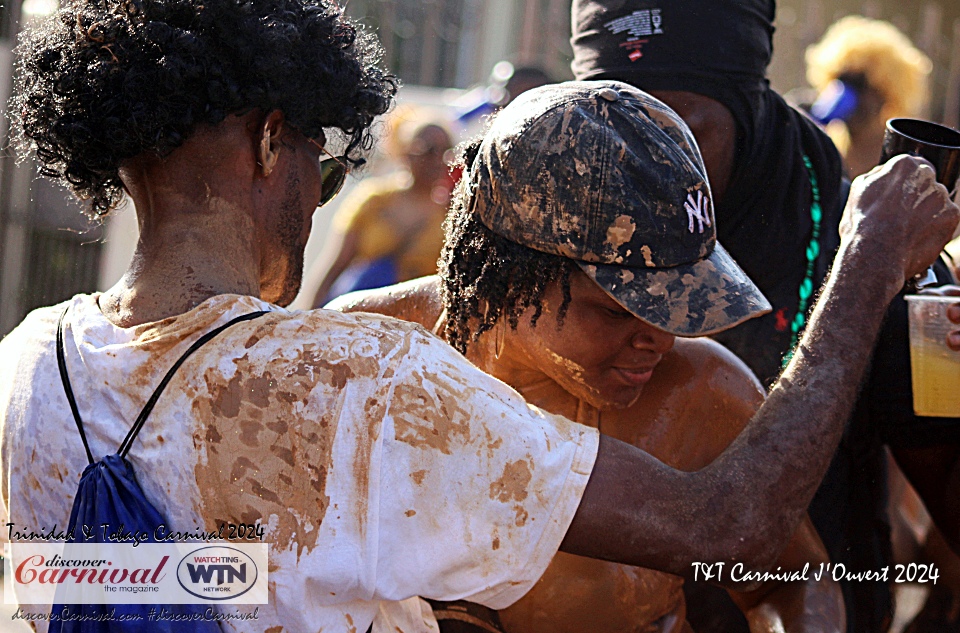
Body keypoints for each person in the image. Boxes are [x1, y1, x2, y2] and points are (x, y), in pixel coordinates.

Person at [1, 1, 957, 631]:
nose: (653, 340)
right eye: (322, 166)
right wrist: (869, 259)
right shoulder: (369, 382)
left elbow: (135, 582)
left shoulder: (23, 368)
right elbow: (730, 523)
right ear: (266, 142)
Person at [329, 81, 845, 632]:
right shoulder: (356, 357)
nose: (661, 338)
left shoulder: (704, 394)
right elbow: (241, 560)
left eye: (676, 305)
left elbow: (797, 584)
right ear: (508, 276)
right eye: (620, 310)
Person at [570, 1, 960, 630]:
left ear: (744, 111)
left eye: (677, 133)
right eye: (613, 131)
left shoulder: (878, 251)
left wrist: (871, 277)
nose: (644, 166)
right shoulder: (543, 229)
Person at [309, 117, 454, 305]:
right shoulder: (374, 200)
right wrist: (311, 316)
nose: (438, 160)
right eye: (429, 150)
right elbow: (336, 266)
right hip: (360, 315)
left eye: (446, 151)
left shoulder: (452, 213)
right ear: (406, 153)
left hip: (413, 326)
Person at [805, 16, 933, 179]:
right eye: (841, 80)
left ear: (885, 95)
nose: (846, 92)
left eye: (859, 83)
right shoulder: (823, 145)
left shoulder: (897, 159)